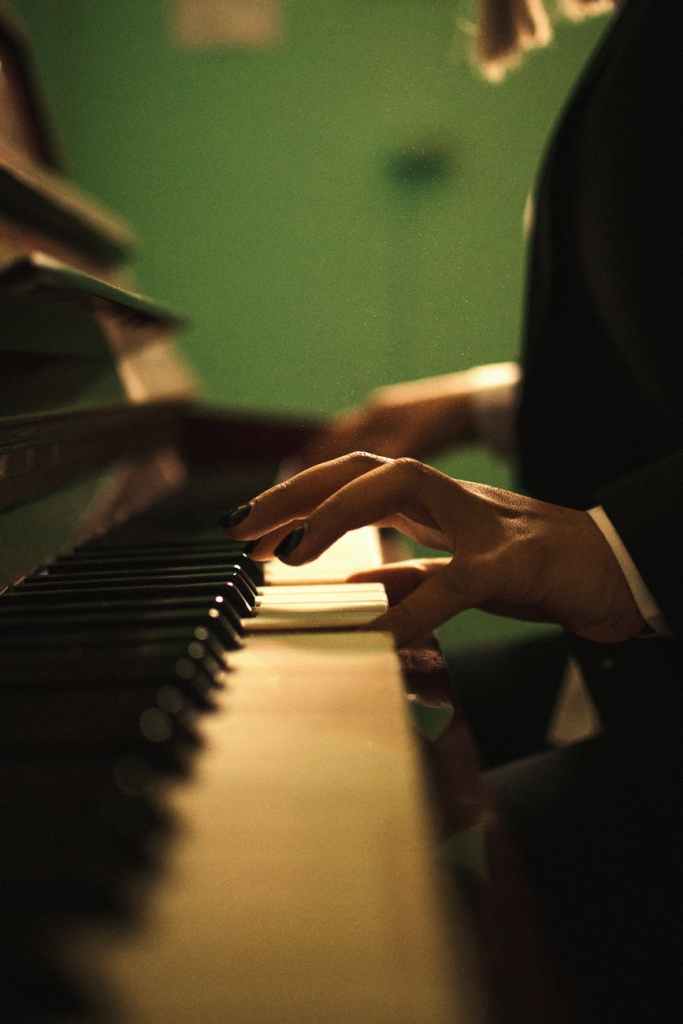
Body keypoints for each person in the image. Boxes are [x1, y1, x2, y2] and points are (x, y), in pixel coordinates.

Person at [221, 1, 680, 1017]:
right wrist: (475, 403)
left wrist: (622, 551)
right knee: (334, 722)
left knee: (326, 872)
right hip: (619, 670)